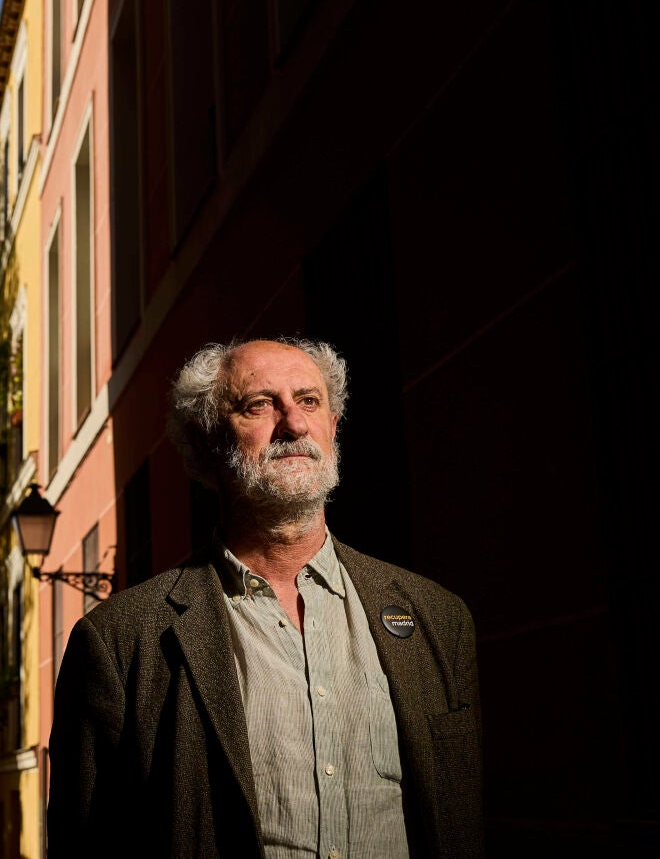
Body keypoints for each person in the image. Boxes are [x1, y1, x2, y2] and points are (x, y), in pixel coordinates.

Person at [48, 338, 482, 858]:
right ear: (206, 439)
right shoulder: (121, 641)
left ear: (333, 426)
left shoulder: (437, 619)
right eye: (259, 405)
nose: (294, 424)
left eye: (309, 401)